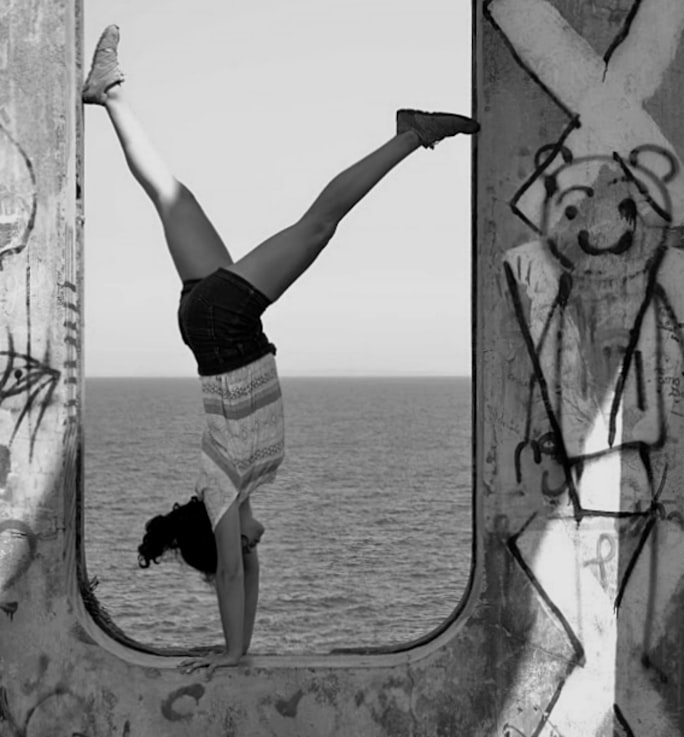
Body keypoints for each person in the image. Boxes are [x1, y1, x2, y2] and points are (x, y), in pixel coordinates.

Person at [82, 24, 479, 676]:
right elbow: (247, 575)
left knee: (318, 225)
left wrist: (231, 652)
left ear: (222, 538)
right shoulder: (240, 491)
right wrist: (239, 646)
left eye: (238, 548)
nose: (255, 548)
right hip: (207, 325)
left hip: (227, 327)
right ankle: (112, 94)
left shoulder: (224, 494)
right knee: (169, 195)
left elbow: (233, 575)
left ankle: (413, 131)